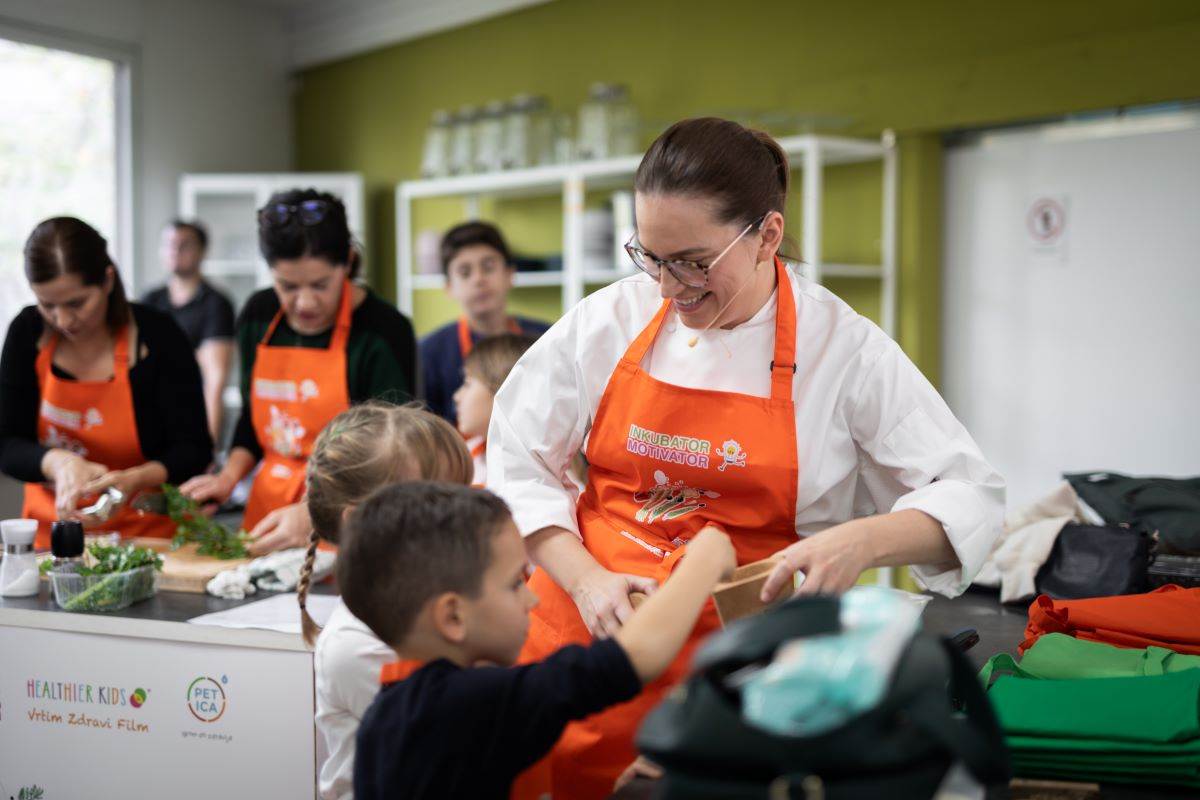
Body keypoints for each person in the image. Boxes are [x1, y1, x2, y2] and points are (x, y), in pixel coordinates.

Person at [486, 117, 1006, 798]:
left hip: (749, 685)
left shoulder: (842, 351)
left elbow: (969, 493)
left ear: (767, 235)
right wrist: (585, 579)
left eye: (695, 262)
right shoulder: (607, 321)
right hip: (589, 651)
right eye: (650, 256)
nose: (670, 288)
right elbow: (517, 458)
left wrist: (862, 541)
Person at [340, 482, 736, 800]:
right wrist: (703, 560)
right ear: (453, 617)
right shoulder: (468, 704)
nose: (531, 597)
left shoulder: (387, 717)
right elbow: (634, 658)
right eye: (515, 583)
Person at [180, 189, 417, 555]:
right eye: (287, 286)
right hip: (269, 515)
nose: (304, 302)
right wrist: (227, 477)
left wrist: (319, 512)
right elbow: (253, 420)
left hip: (354, 517)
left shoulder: (382, 330)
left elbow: (395, 450)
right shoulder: (258, 315)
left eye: (320, 285)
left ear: (348, 263)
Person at [0, 217, 212, 548]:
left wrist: (137, 478)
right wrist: (58, 461)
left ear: (108, 280)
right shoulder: (27, 333)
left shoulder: (158, 336)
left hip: (146, 539)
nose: (63, 320)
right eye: (48, 305)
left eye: (76, 303)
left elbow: (194, 448)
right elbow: (7, 443)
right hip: (50, 541)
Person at [298, 402, 472, 800]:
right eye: (439, 501)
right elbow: (461, 735)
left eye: (466, 494)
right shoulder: (356, 644)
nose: (467, 515)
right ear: (363, 523)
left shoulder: (437, 597)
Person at [419, 221, 549, 426]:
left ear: (510, 274)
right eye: (465, 272)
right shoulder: (428, 353)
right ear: (448, 286)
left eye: (488, 267)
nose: (478, 279)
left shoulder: (546, 339)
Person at [142, 219, 236, 444]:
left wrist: (209, 443)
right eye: (169, 244)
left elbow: (214, 379)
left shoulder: (215, 303)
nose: (175, 251)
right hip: (153, 417)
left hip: (194, 418)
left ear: (202, 251)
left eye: (184, 245)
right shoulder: (150, 300)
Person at [453, 333, 534, 485]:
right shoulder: (462, 457)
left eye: (467, 383)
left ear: (504, 390)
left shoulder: (541, 473)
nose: (457, 396)